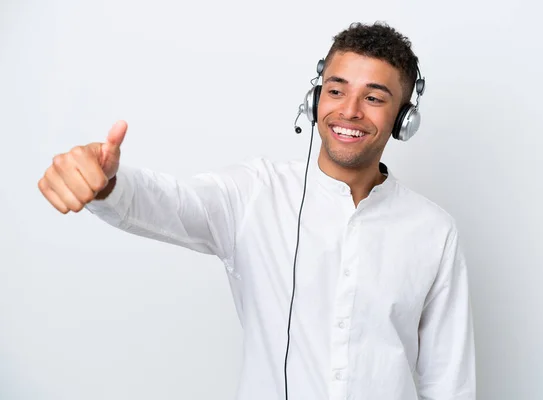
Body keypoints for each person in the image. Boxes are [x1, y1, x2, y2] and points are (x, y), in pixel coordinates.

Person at [38, 21, 475, 400]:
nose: (348, 110)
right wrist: (107, 183)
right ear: (314, 97)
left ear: (404, 118)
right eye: (336, 90)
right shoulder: (254, 193)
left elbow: (448, 385)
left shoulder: (433, 231)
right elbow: (171, 203)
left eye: (374, 98)